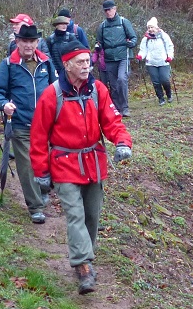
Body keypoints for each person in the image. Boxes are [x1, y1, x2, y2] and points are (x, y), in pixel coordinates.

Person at [30, 45, 132, 295]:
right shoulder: (52, 95)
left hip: (93, 162)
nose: (87, 65)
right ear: (67, 65)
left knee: (92, 216)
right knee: (75, 215)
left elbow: (112, 121)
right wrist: (41, 172)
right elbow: (38, 135)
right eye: (80, 62)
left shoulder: (98, 90)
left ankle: (86, 255)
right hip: (64, 163)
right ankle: (83, 266)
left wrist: (122, 142)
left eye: (88, 61)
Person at [0, 24, 58, 224]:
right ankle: (35, 207)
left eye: (32, 41)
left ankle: (45, 188)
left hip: (48, 124)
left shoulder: (46, 63)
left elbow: (58, 89)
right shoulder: (8, 64)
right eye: (24, 41)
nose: (28, 45)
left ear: (38, 42)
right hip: (21, 125)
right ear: (17, 42)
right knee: (27, 166)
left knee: (50, 161)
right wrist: (4, 105)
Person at [95, 0, 137, 117]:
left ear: (115, 9)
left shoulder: (124, 22)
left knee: (122, 80)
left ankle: (125, 108)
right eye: (106, 10)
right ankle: (117, 109)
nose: (108, 12)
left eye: (110, 9)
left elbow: (133, 37)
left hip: (123, 56)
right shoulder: (102, 26)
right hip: (109, 58)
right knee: (113, 85)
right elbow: (99, 42)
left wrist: (131, 43)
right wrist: (98, 46)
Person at [136, 17, 174, 105]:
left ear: (156, 28)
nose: (150, 29)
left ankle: (169, 95)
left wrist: (170, 56)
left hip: (163, 61)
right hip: (151, 63)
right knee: (156, 82)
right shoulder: (146, 39)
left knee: (165, 79)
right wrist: (140, 56)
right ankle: (161, 98)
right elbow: (143, 50)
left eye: (152, 27)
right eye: (148, 28)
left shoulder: (164, 36)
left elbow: (170, 47)